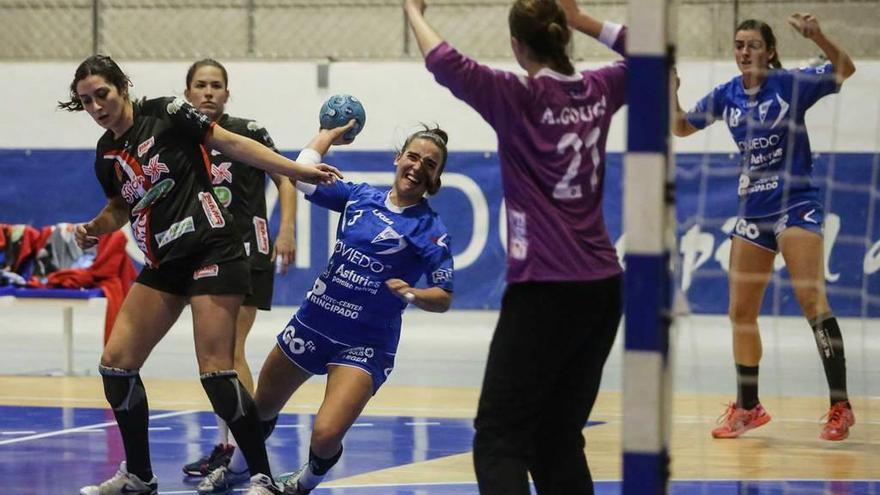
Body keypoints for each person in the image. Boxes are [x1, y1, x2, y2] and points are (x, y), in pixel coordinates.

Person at [61, 54, 340, 495]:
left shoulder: (167, 113)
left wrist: (294, 169)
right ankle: (138, 475)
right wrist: (95, 228)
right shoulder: (106, 154)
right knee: (116, 365)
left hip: (213, 250)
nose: (97, 107)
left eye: (102, 95)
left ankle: (262, 476)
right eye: (86, 102)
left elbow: (229, 143)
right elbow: (121, 205)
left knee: (216, 370)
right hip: (164, 262)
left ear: (122, 88)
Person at [406, 1, 626, 494]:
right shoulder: (603, 87)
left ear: (516, 46)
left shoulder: (516, 97)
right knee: (556, 436)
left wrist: (412, 10)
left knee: (499, 438)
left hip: (545, 288)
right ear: (564, 37)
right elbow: (657, 57)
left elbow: (443, 60)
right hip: (603, 288)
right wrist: (587, 20)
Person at [195, 122, 455, 495]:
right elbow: (301, 175)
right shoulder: (360, 196)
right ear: (398, 159)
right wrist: (329, 133)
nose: (417, 166)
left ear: (435, 177)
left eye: (429, 164)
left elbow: (444, 296)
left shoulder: (430, 230)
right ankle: (238, 470)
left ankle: (302, 483)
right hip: (313, 324)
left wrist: (413, 294)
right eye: (412, 156)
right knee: (259, 409)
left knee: (327, 433)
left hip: (365, 344)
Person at [673, 14, 857, 441]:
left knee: (812, 299)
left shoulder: (791, 83)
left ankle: (840, 406)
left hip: (796, 205)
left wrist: (819, 36)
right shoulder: (727, 95)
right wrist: (671, 92)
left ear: (769, 50)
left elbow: (845, 69)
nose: (744, 52)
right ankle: (749, 406)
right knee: (740, 313)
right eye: (739, 45)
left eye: (753, 44)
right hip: (753, 212)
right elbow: (680, 127)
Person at [179, 59, 299, 479]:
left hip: (249, 249)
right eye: (200, 85)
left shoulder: (247, 132)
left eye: (216, 85)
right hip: (204, 252)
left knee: (229, 351)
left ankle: (243, 447)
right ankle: (229, 444)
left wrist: (287, 230)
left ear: (227, 94)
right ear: (187, 93)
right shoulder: (179, 136)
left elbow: (286, 178)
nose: (208, 92)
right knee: (217, 358)